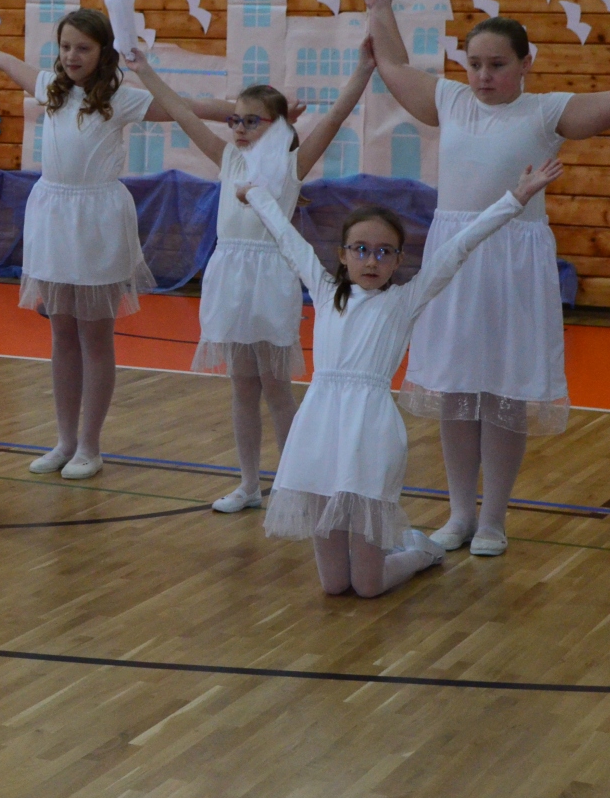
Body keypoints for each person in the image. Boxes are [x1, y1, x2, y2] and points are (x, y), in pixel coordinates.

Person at [240, 157, 561, 596]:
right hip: (319, 431)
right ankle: (393, 554)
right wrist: (255, 194)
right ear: (342, 255)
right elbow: (285, 235)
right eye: (360, 249)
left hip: (371, 433)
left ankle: (423, 552)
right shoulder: (324, 290)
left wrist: (517, 197)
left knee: (368, 586)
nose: (371, 260)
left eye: (383, 251)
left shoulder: (404, 301)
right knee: (334, 585)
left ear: (397, 261)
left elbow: (460, 246)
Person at [366, 0, 610, 555]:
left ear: (526, 64)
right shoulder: (449, 100)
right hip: (455, 259)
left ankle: (494, 519)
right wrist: (379, 7)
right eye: (474, 63)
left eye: (497, 65)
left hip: (514, 265)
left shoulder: (546, 111)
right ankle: (458, 514)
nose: (482, 75)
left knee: (504, 391)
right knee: (456, 388)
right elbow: (393, 64)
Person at [0, 10, 228, 480]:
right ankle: (64, 441)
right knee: (61, 332)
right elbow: (6, 62)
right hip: (53, 217)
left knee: (94, 336)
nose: (71, 56)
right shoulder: (50, 87)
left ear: (103, 53)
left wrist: (245, 111)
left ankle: (90, 446)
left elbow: (185, 108)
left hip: (97, 221)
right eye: (65, 46)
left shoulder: (119, 99)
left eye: (83, 48)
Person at [130, 39, 374, 512]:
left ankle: (296, 484)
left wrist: (363, 70)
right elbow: (179, 110)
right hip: (230, 278)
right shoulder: (228, 159)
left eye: (251, 121)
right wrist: (144, 70)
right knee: (242, 387)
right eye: (235, 120)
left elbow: (335, 118)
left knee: (277, 389)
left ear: (278, 125)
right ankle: (248, 484)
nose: (239, 128)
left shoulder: (291, 165)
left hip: (271, 279)